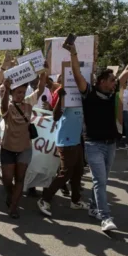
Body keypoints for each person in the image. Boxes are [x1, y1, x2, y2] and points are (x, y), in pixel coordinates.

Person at [69, 34, 128, 232]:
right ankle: (106, 217)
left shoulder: (113, 93)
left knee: (102, 180)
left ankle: (92, 207)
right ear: (102, 81)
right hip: (93, 144)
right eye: (112, 80)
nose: (116, 83)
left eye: (116, 80)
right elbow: (76, 72)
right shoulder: (88, 93)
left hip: (110, 144)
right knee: (99, 180)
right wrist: (73, 52)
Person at [38, 75, 88, 217]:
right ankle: (44, 199)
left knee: (78, 171)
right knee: (65, 173)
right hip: (66, 141)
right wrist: (60, 98)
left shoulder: (82, 97)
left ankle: (76, 201)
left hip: (77, 141)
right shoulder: (67, 96)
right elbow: (55, 116)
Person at [0, 70, 46, 219]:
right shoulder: (7, 104)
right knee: (7, 179)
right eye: (18, 92)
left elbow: (41, 89)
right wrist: (6, 89)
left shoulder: (28, 103)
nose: (20, 95)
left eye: (23, 92)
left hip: (24, 149)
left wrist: (43, 73)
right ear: (12, 92)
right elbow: (3, 109)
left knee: (20, 178)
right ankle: (10, 194)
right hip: (7, 148)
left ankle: (13, 207)